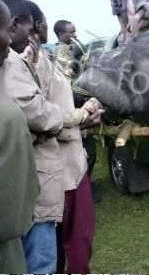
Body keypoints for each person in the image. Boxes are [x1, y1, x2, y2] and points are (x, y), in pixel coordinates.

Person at [23, 1, 104, 273]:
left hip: (68, 160)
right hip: (57, 167)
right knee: (67, 238)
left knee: (66, 236)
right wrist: (82, 116)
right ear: (38, 25)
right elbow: (43, 115)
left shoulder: (45, 58)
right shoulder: (29, 62)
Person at [2, 0, 65, 274]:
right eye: (30, 29)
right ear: (13, 26)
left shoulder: (19, 61)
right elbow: (38, 112)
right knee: (39, 261)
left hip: (22, 199)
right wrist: (72, 117)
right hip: (28, 196)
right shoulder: (11, 65)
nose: (33, 36)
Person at [0, 0, 40, 274]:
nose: (9, 40)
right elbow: (13, 219)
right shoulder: (6, 117)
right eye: (5, 29)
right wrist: (78, 116)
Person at [54, 18, 102, 204]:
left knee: (87, 148)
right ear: (60, 35)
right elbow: (69, 75)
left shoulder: (72, 49)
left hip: (79, 100)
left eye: (75, 31)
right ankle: (82, 190)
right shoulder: (60, 52)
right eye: (71, 32)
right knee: (85, 148)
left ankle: (85, 187)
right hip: (72, 103)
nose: (75, 35)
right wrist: (76, 59)